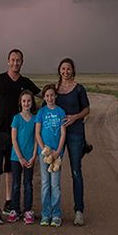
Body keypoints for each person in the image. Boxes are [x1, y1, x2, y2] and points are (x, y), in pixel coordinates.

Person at [0, 49, 40, 225]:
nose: (15, 63)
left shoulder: (25, 82)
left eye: (18, 60)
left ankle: (9, 203)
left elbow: (42, 95)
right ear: (8, 61)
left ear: (22, 62)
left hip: (17, 134)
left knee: (10, 169)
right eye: (13, 60)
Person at [55, 57, 91, 226]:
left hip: (75, 134)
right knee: (54, 172)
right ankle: (54, 211)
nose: (65, 72)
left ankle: (79, 211)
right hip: (57, 135)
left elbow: (87, 110)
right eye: (63, 69)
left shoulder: (79, 89)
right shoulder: (54, 89)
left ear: (73, 70)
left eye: (68, 69)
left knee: (76, 172)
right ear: (59, 70)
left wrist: (75, 117)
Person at [35, 83, 67, 227]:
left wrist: (57, 151)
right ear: (44, 97)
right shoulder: (41, 112)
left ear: (56, 96)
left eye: (52, 95)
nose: (50, 98)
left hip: (57, 154)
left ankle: (56, 214)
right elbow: (37, 133)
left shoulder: (61, 112)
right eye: (47, 96)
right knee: (45, 184)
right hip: (44, 153)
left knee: (55, 185)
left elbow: (63, 133)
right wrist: (44, 150)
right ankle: (45, 214)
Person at [8, 90, 39, 224]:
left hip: (29, 158)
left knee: (28, 183)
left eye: (29, 101)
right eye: (24, 101)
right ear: (20, 103)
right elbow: (14, 139)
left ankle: (27, 210)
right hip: (16, 158)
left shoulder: (35, 119)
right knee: (16, 184)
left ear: (32, 103)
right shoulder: (16, 118)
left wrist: (33, 157)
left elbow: (37, 139)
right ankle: (15, 209)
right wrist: (20, 157)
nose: (26, 103)